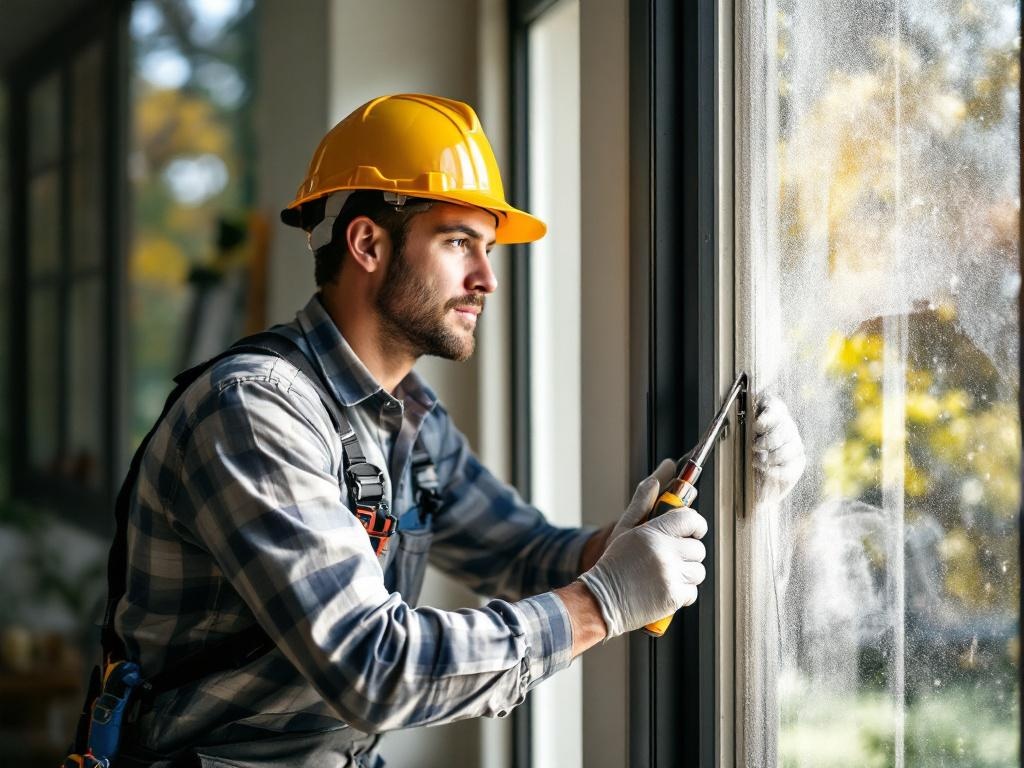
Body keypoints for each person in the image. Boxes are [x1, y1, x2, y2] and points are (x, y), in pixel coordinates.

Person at [114, 94, 805, 767]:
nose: (487, 279)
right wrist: (604, 600)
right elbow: (375, 669)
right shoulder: (255, 414)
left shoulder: (407, 417)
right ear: (367, 244)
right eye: (458, 243)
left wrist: (625, 542)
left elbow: (521, 553)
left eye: (488, 248)